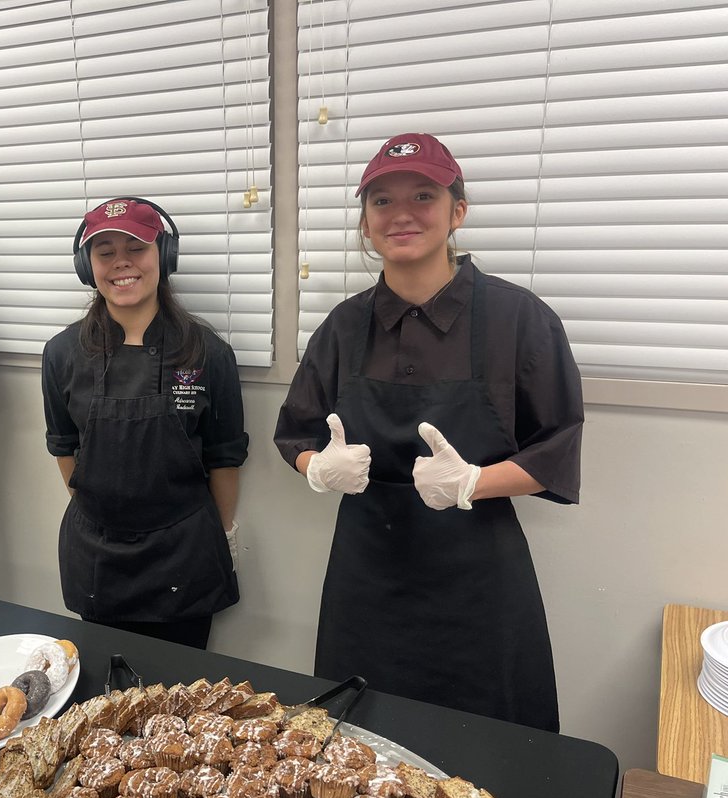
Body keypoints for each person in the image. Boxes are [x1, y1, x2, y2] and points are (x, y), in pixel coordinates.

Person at [274, 133, 583, 732]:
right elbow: (295, 434)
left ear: (457, 211)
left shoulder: (519, 320)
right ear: (366, 223)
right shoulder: (342, 327)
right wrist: (317, 468)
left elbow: (558, 445)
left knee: (491, 746)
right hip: (367, 576)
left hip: (479, 579)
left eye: (423, 194)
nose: (402, 214)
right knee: (359, 751)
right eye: (382, 202)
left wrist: (474, 481)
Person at [42, 198, 248, 650]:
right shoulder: (60, 354)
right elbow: (63, 447)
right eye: (105, 251)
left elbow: (224, 457)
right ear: (86, 264)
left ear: (164, 256)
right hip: (97, 558)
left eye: (136, 247)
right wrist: (105, 515)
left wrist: (223, 533)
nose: (122, 263)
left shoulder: (209, 353)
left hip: (185, 554)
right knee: (106, 700)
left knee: (183, 700)